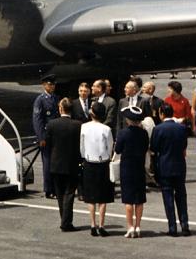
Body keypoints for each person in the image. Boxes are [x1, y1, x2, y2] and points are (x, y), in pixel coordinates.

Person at [150, 103, 191, 237]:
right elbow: (184, 145)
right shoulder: (181, 128)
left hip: (164, 166)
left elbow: (154, 148)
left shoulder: (158, 129)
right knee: (181, 196)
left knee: (168, 197)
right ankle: (185, 225)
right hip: (179, 165)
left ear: (162, 114)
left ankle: (172, 227)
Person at [45, 98, 81, 231]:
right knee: (69, 193)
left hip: (56, 164)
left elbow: (47, 145)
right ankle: (66, 222)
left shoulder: (52, 124)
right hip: (72, 164)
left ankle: (64, 219)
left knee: (60, 194)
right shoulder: (78, 125)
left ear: (60, 109)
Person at [80, 102, 114, 236]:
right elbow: (110, 146)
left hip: (89, 162)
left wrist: (84, 156)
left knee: (90, 196)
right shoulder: (106, 129)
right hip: (103, 163)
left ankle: (92, 224)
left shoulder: (84, 127)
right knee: (103, 197)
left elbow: (81, 147)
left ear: (92, 113)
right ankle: (101, 225)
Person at [115, 105, 150, 238]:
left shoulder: (123, 133)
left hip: (127, 168)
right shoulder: (144, 133)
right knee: (139, 199)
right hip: (139, 167)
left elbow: (117, 150)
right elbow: (146, 147)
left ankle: (130, 226)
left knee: (128, 200)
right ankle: (138, 225)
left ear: (129, 120)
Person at [33, 74, 60, 198]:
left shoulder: (55, 98)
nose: (52, 86)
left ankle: (56, 187)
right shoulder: (40, 100)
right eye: (50, 84)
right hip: (46, 135)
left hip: (55, 135)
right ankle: (49, 189)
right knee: (47, 163)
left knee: (55, 162)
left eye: (53, 84)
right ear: (44, 85)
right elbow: (37, 120)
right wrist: (41, 137)